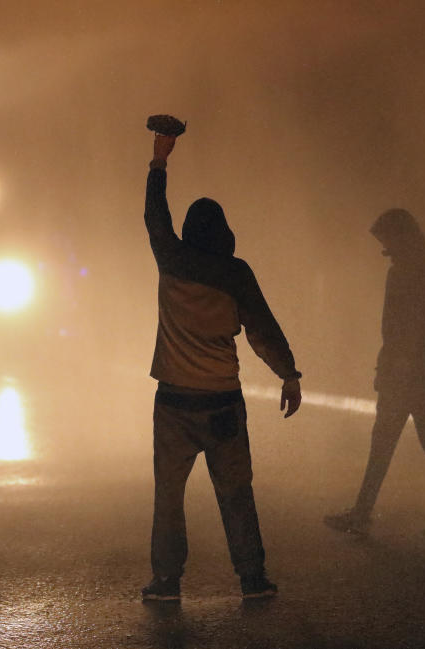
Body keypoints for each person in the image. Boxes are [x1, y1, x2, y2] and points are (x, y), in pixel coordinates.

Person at [140, 131, 303, 601]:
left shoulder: (170, 258)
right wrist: (288, 374)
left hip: (173, 405)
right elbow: (262, 331)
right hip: (224, 405)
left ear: (190, 231)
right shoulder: (236, 274)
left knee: (169, 498)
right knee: (236, 493)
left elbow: (155, 217)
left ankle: (167, 582)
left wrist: (159, 160)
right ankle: (252, 578)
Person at [324, 208, 425, 539]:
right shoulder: (420, 269)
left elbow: (422, 325)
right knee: (417, 441)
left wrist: (399, 362)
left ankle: (367, 512)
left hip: (410, 375)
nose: (383, 244)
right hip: (414, 372)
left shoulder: (415, 271)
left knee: (397, 441)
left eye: (386, 237)